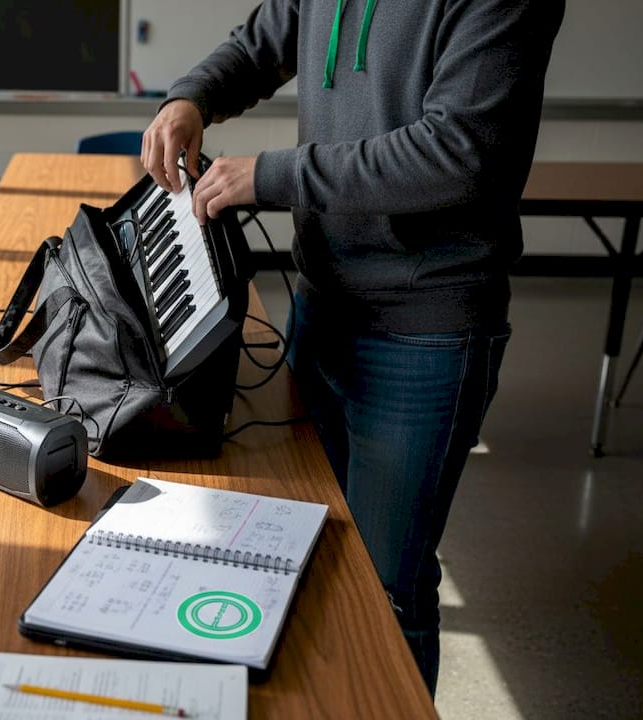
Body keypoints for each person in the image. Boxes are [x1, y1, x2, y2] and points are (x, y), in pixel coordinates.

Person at [141, 0, 564, 696]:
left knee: (387, 587)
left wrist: (270, 175)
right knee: (301, 548)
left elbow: (457, 155)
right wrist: (193, 96)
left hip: (425, 330)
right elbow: (260, 42)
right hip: (322, 303)